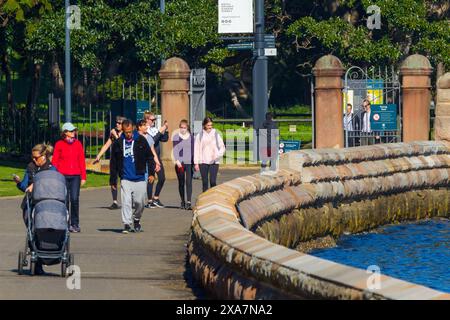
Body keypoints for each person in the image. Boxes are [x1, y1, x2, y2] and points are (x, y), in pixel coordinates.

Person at [13, 144, 56, 275]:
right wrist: (19, 183)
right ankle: (36, 261)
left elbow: (54, 186)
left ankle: (41, 261)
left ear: (43, 156)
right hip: (31, 203)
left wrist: (35, 184)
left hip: (45, 204)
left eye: (36, 157)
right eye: (32, 157)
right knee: (32, 231)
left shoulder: (51, 169)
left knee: (41, 231)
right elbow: (25, 187)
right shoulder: (30, 167)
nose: (33, 160)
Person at [110, 120, 156, 234]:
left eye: (130, 132)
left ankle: (136, 219)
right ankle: (126, 224)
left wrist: (151, 173)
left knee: (140, 202)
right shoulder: (118, 143)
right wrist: (113, 180)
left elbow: (150, 157)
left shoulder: (141, 140)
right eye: (126, 132)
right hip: (125, 177)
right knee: (126, 202)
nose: (129, 134)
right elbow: (113, 163)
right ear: (123, 131)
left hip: (139, 176)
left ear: (133, 129)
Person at [52, 123, 86, 233]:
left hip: (75, 176)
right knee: (64, 200)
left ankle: (75, 223)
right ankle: (64, 224)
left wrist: (83, 177)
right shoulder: (59, 144)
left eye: (74, 131)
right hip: (62, 176)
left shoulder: (78, 144)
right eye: (71, 131)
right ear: (65, 132)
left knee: (75, 199)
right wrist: (54, 175)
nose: (73, 133)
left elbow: (81, 160)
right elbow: (55, 162)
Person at [93, 116, 126, 210]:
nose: (117, 125)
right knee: (113, 180)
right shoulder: (114, 133)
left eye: (119, 123)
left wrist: (116, 135)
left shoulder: (125, 134)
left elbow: (122, 145)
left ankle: (127, 200)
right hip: (114, 159)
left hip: (123, 160)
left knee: (124, 180)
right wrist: (99, 156)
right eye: (116, 123)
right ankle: (115, 201)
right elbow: (107, 145)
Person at [144, 112, 169, 208]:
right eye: (152, 119)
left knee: (162, 178)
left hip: (157, 157)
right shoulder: (146, 130)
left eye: (154, 119)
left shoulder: (154, 129)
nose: (154, 121)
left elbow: (164, 139)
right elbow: (152, 141)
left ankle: (156, 198)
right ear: (146, 120)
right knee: (151, 178)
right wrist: (160, 131)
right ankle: (149, 200)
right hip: (150, 157)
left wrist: (166, 129)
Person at [194, 117, 225, 192]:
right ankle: (205, 200)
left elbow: (222, 147)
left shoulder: (216, 134)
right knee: (205, 182)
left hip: (214, 162)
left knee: (213, 182)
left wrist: (217, 155)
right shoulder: (199, 135)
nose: (210, 127)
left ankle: (213, 199)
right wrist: (196, 163)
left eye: (211, 125)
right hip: (203, 162)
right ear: (204, 125)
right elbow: (196, 149)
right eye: (208, 125)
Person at [172, 119, 195, 210]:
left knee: (189, 182)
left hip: (189, 162)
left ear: (187, 128)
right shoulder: (176, 137)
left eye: (184, 128)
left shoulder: (191, 137)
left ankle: (189, 202)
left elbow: (193, 150)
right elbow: (175, 149)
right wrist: (177, 160)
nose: (183, 129)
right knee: (181, 182)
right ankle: (182, 201)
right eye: (181, 127)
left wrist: (195, 162)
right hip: (180, 163)